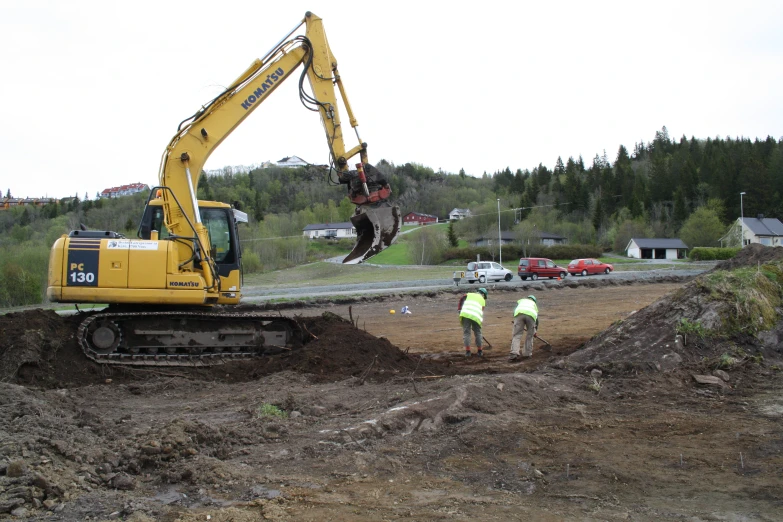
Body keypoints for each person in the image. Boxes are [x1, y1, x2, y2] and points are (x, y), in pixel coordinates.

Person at [459, 288, 487, 357]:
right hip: (476, 316)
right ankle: (480, 351)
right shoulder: (483, 300)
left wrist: (459, 309)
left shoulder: (469, 294)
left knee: (466, 333)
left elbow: (461, 299)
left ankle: (468, 352)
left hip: (465, 314)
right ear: (483, 294)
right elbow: (481, 311)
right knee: (478, 333)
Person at [510, 295, 538, 361]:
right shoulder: (534, 304)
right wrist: (535, 331)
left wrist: (516, 320)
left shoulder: (522, 301)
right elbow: (537, 320)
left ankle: (514, 353)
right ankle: (527, 354)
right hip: (531, 316)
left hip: (519, 315)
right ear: (534, 300)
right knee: (530, 336)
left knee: (517, 335)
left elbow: (514, 311)